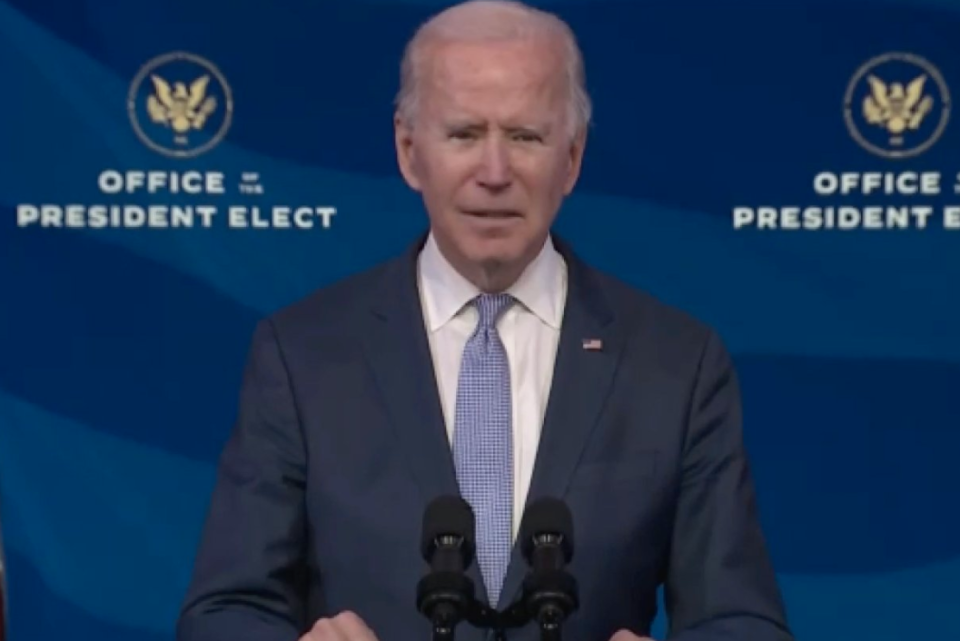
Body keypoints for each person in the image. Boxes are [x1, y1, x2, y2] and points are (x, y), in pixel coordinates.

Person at [176, 1, 793, 640]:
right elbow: (224, 612)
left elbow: (740, 619)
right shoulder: (302, 355)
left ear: (573, 158)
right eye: (464, 135)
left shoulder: (676, 364)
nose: (494, 174)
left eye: (525, 137)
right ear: (410, 151)